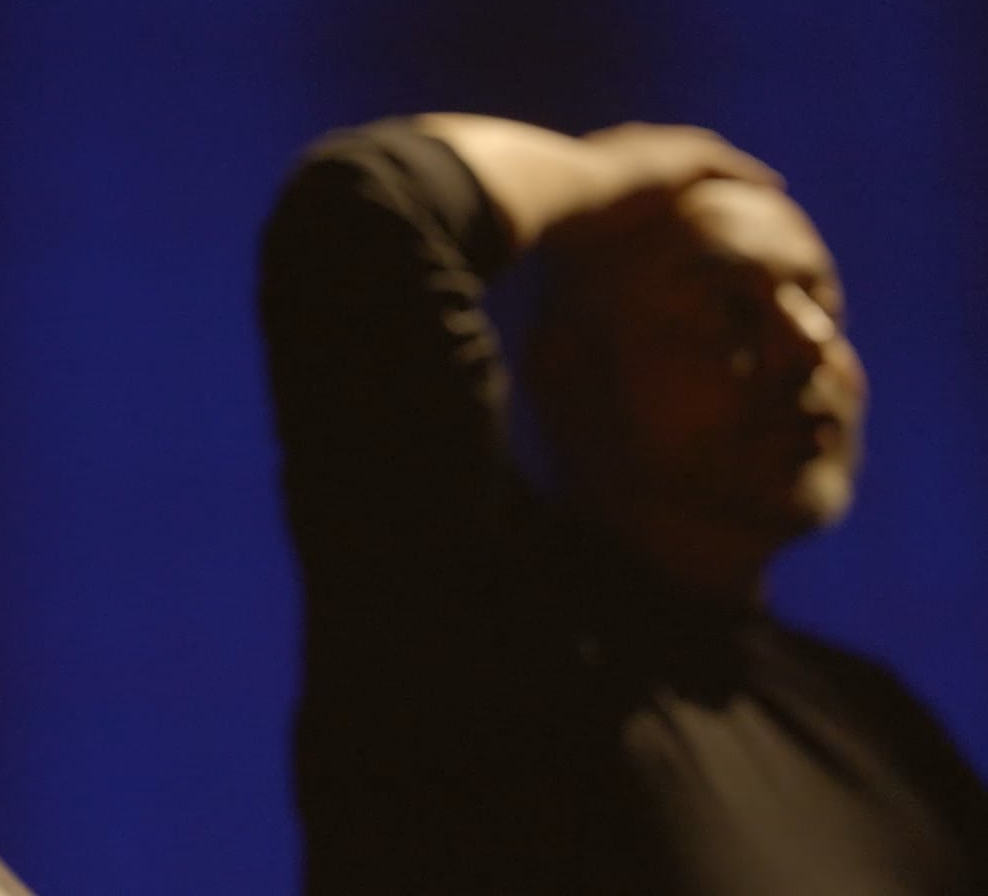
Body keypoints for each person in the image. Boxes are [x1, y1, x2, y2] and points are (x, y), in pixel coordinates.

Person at [258, 114, 988, 894]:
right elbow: (362, 214)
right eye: (727, 308)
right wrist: (617, 170)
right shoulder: (461, 641)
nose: (806, 344)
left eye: (823, 303)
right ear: (567, 371)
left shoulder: (882, 731)